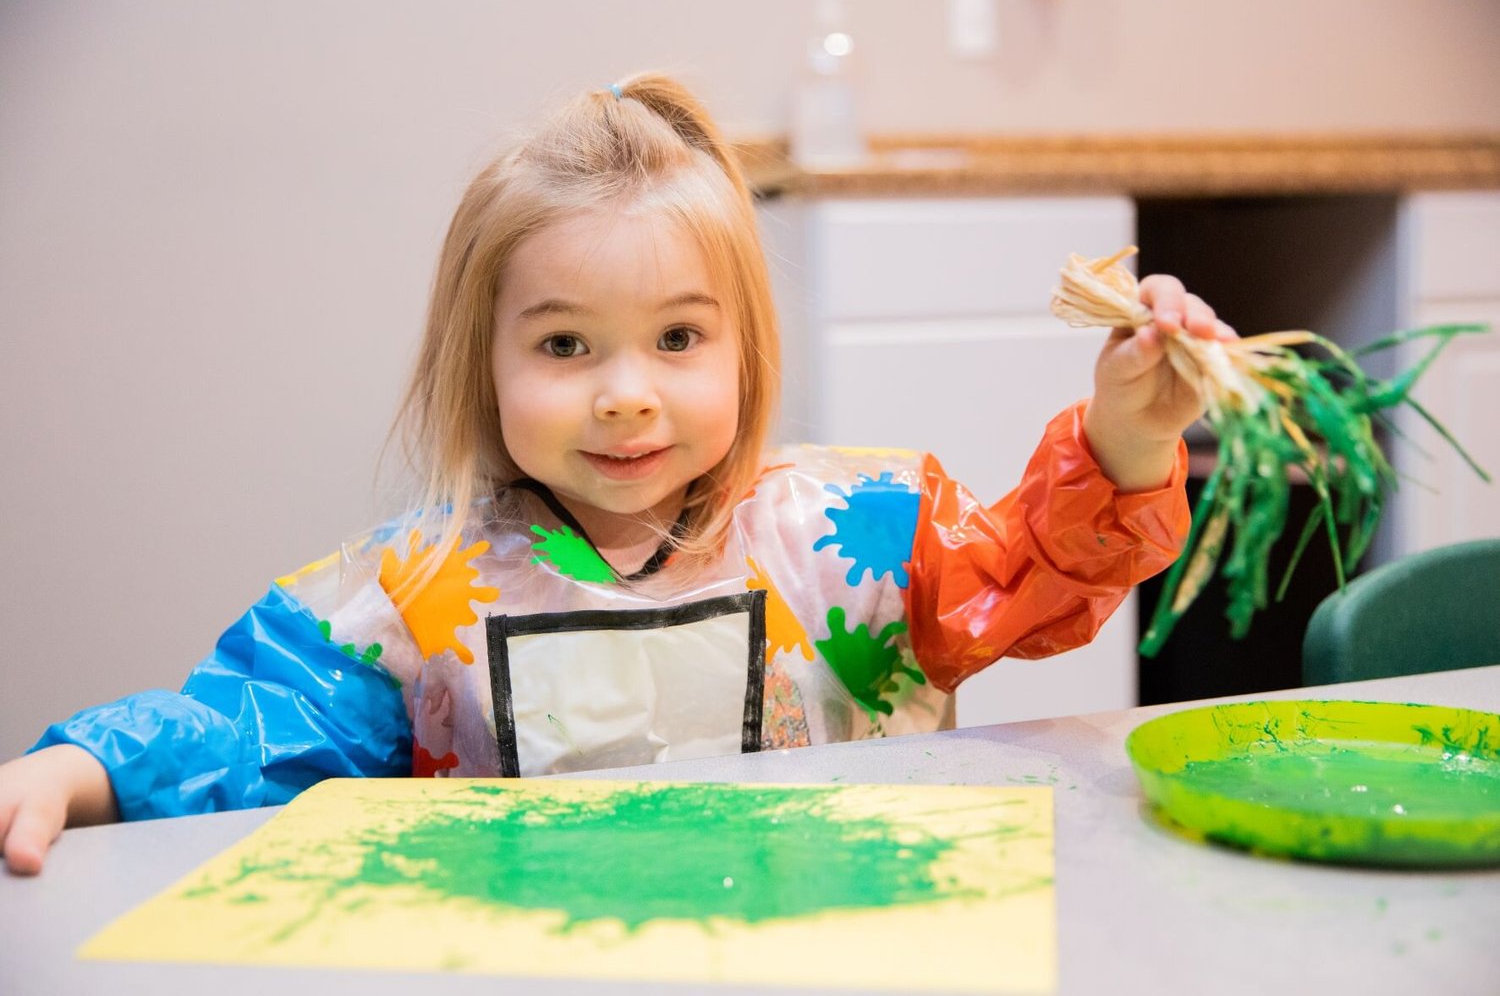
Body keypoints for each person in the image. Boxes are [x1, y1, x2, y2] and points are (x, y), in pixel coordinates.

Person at [0, 74, 1231, 874]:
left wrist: (1126, 436)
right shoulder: (421, 593)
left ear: (750, 348)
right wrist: (80, 766)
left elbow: (1032, 566)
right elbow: (250, 722)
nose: (627, 389)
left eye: (680, 339)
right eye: (564, 344)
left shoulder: (858, 532)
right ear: (480, 363)